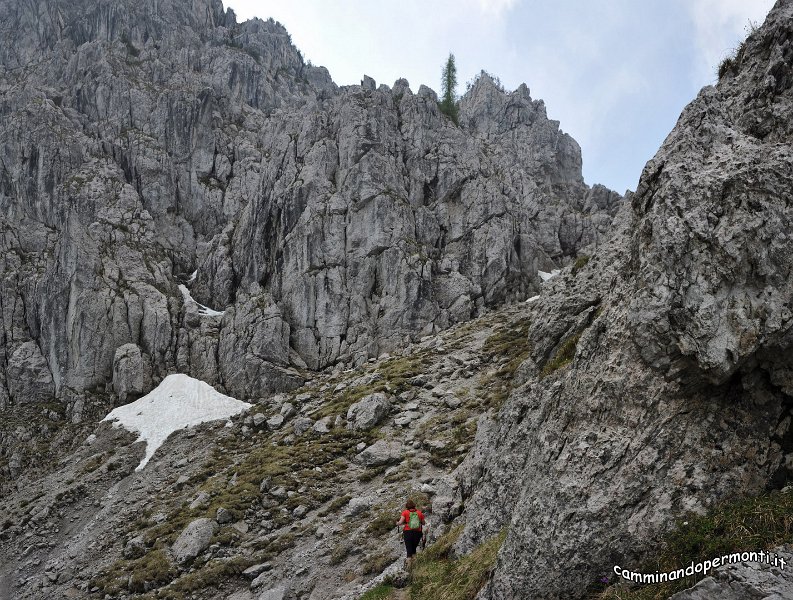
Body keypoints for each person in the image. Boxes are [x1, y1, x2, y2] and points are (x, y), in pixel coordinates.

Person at [396, 499, 427, 570]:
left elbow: (400, 522)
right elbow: (423, 523)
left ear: (407, 506)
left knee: (409, 549)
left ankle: (409, 568)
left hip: (408, 532)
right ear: (414, 505)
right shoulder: (419, 513)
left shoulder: (405, 512)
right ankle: (415, 566)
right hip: (417, 532)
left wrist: (397, 523)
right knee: (414, 549)